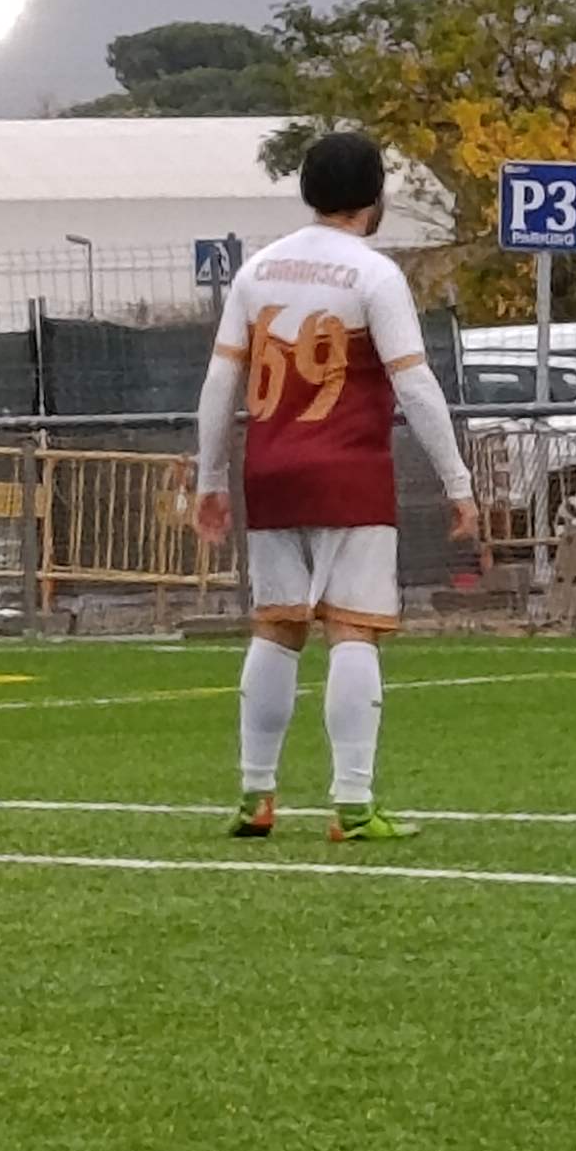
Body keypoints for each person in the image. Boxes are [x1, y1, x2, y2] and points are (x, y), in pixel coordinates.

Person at [191, 129, 480, 841]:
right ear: (374, 198)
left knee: (276, 627)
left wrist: (211, 476)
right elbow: (415, 384)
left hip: (271, 471)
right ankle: (352, 803)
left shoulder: (257, 271)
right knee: (354, 629)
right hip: (349, 471)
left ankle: (255, 795)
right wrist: (458, 481)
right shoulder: (374, 275)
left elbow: (220, 382)